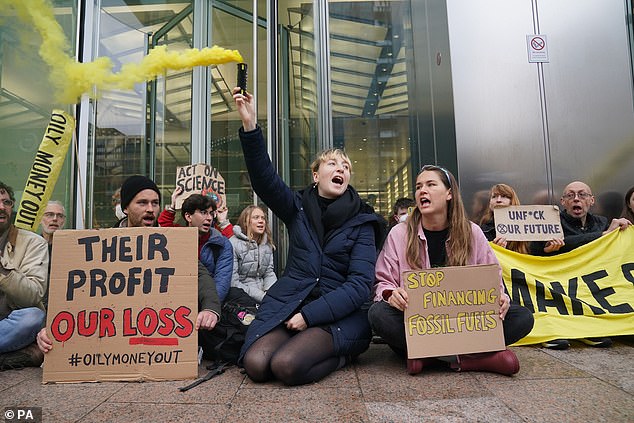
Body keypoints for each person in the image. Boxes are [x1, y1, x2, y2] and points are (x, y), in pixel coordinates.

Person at [233, 88, 384, 386]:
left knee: (287, 366)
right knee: (257, 364)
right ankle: (304, 346)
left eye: (346, 167)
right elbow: (265, 180)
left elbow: (359, 286)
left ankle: (344, 355)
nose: (341, 169)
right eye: (332, 164)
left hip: (340, 315)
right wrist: (250, 126)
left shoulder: (363, 220)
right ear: (316, 175)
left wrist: (310, 317)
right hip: (292, 302)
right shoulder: (297, 206)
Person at [368, 166, 534, 376]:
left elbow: (492, 279)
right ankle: (472, 359)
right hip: (420, 323)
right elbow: (382, 282)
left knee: (523, 318)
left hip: (465, 323)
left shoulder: (472, 232)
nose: (422, 191)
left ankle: (428, 358)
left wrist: (500, 298)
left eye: (430, 185)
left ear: (449, 193)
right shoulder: (399, 233)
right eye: (418, 187)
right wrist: (391, 295)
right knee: (378, 314)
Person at [37, 175, 221, 355]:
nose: (150, 209)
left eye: (155, 203)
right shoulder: (103, 243)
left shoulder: (171, 241)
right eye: (142, 203)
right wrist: (49, 326)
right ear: (125, 207)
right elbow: (67, 288)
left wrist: (210, 309)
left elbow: (201, 276)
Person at [530, 181, 632, 350]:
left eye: (582, 195)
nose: (576, 199)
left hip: (588, 283)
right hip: (557, 281)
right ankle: (554, 331)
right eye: (570, 195)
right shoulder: (550, 222)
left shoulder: (601, 222)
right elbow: (536, 250)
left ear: (591, 200)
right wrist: (603, 235)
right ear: (563, 202)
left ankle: (589, 328)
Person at [0, 181, 49, 370]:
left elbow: (33, 296)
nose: (1, 207)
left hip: (10, 322)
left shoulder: (34, 243)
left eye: (6, 202)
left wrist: (3, 271)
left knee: (33, 316)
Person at [229, 205, 277, 304]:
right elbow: (233, 282)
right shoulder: (233, 244)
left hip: (265, 296)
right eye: (256, 217)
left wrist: (271, 293)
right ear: (246, 222)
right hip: (242, 297)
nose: (261, 221)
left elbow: (268, 272)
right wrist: (262, 296)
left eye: (263, 218)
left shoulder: (267, 244)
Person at [159, 186, 234, 239]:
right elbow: (164, 226)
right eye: (203, 212)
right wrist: (172, 206)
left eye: (211, 213)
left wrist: (223, 222)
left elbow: (232, 241)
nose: (209, 218)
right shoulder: (180, 234)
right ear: (188, 216)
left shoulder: (216, 236)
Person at [479, 184, 529, 254]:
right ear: (490, 203)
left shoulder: (528, 227)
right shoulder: (482, 231)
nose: (498, 200)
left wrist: (547, 250)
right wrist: (494, 251)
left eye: (504, 196)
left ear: (512, 201)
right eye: (494, 197)